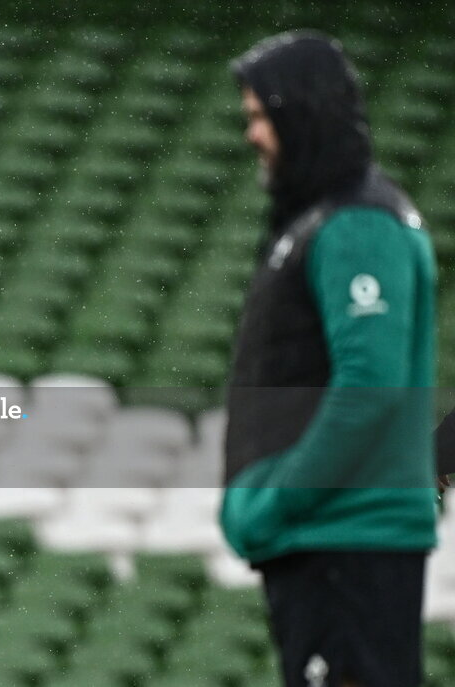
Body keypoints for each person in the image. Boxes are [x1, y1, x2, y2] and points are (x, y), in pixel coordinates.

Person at [218, 31, 438, 687]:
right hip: (330, 544)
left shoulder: (358, 225)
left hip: (347, 542)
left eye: (262, 116)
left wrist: (276, 500)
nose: (253, 135)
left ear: (301, 111)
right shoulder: (324, 220)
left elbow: (371, 385)